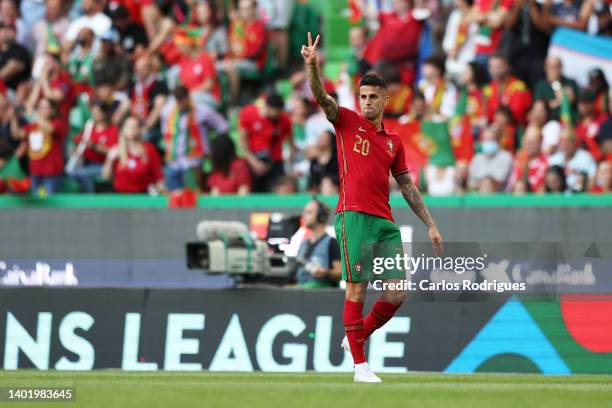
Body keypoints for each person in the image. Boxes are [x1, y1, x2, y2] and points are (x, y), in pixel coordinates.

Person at [302, 32, 443, 383]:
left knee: (397, 291)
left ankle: (357, 338)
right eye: (362, 96)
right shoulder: (346, 121)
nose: (365, 101)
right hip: (353, 215)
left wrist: (430, 222)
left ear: (384, 99)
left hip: (384, 221)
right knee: (357, 289)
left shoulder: (394, 141)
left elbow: (407, 185)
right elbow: (321, 98)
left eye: (372, 97)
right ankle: (360, 367)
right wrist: (312, 68)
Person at [160, 86, 228, 191]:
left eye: (183, 99)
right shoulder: (167, 112)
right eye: (178, 100)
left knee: (193, 195)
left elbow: (223, 126)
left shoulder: (202, 111)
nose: (181, 104)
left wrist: (212, 145)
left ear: (188, 97)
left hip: (194, 161)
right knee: (172, 196)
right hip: (174, 161)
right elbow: (165, 133)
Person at [238, 93, 293, 192]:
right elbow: (242, 142)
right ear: (267, 107)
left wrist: (289, 164)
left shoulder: (284, 119)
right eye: (275, 112)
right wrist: (253, 162)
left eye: (280, 112)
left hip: (276, 163)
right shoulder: (249, 113)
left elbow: (291, 143)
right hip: (254, 160)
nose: (277, 115)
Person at [13, 98, 67, 195]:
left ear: (53, 110)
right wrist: (13, 117)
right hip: (35, 171)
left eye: (45, 107)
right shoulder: (33, 125)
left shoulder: (58, 122)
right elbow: (17, 134)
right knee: (36, 207)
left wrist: (33, 114)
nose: (42, 110)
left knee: (49, 205)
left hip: (52, 172)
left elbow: (50, 129)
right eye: (40, 108)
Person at [102, 116, 164, 193]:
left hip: (143, 195)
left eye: (134, 126)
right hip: (121, 196)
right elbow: (106, 176)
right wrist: (109, 160)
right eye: (128, 126)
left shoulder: (149, 149)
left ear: (139, 129)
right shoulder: (117, 150)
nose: (131, 129)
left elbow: (158, 176)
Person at [67, 101, 118, 193]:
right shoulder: (89, 127)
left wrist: (95, 146)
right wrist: (75, 149)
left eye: (98, 113)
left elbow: (113, 151)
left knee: (80, 173)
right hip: (87, 163)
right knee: (73, 172)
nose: (95, 115)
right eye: (94, 113)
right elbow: (77, 140)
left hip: (104, 165)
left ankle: (89, 196)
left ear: (105, 113)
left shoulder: (113, 129)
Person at [295, 199, 342, 288]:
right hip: (300, 292)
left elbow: (339, 271)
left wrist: (326, 273)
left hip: (322, 294)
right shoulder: (303, 244)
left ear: (321, 216)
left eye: (309, 212)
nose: (303, 216)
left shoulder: (331, 243)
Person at [468, 125, 513, 191]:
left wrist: (482, 184)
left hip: (499, 195)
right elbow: (470, 182)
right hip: (479, 195)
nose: (488, 142)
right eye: (486, 140)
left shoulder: (506, 157)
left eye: (491, 139)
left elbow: (500, 182)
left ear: (497, 141)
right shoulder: (477, 158)